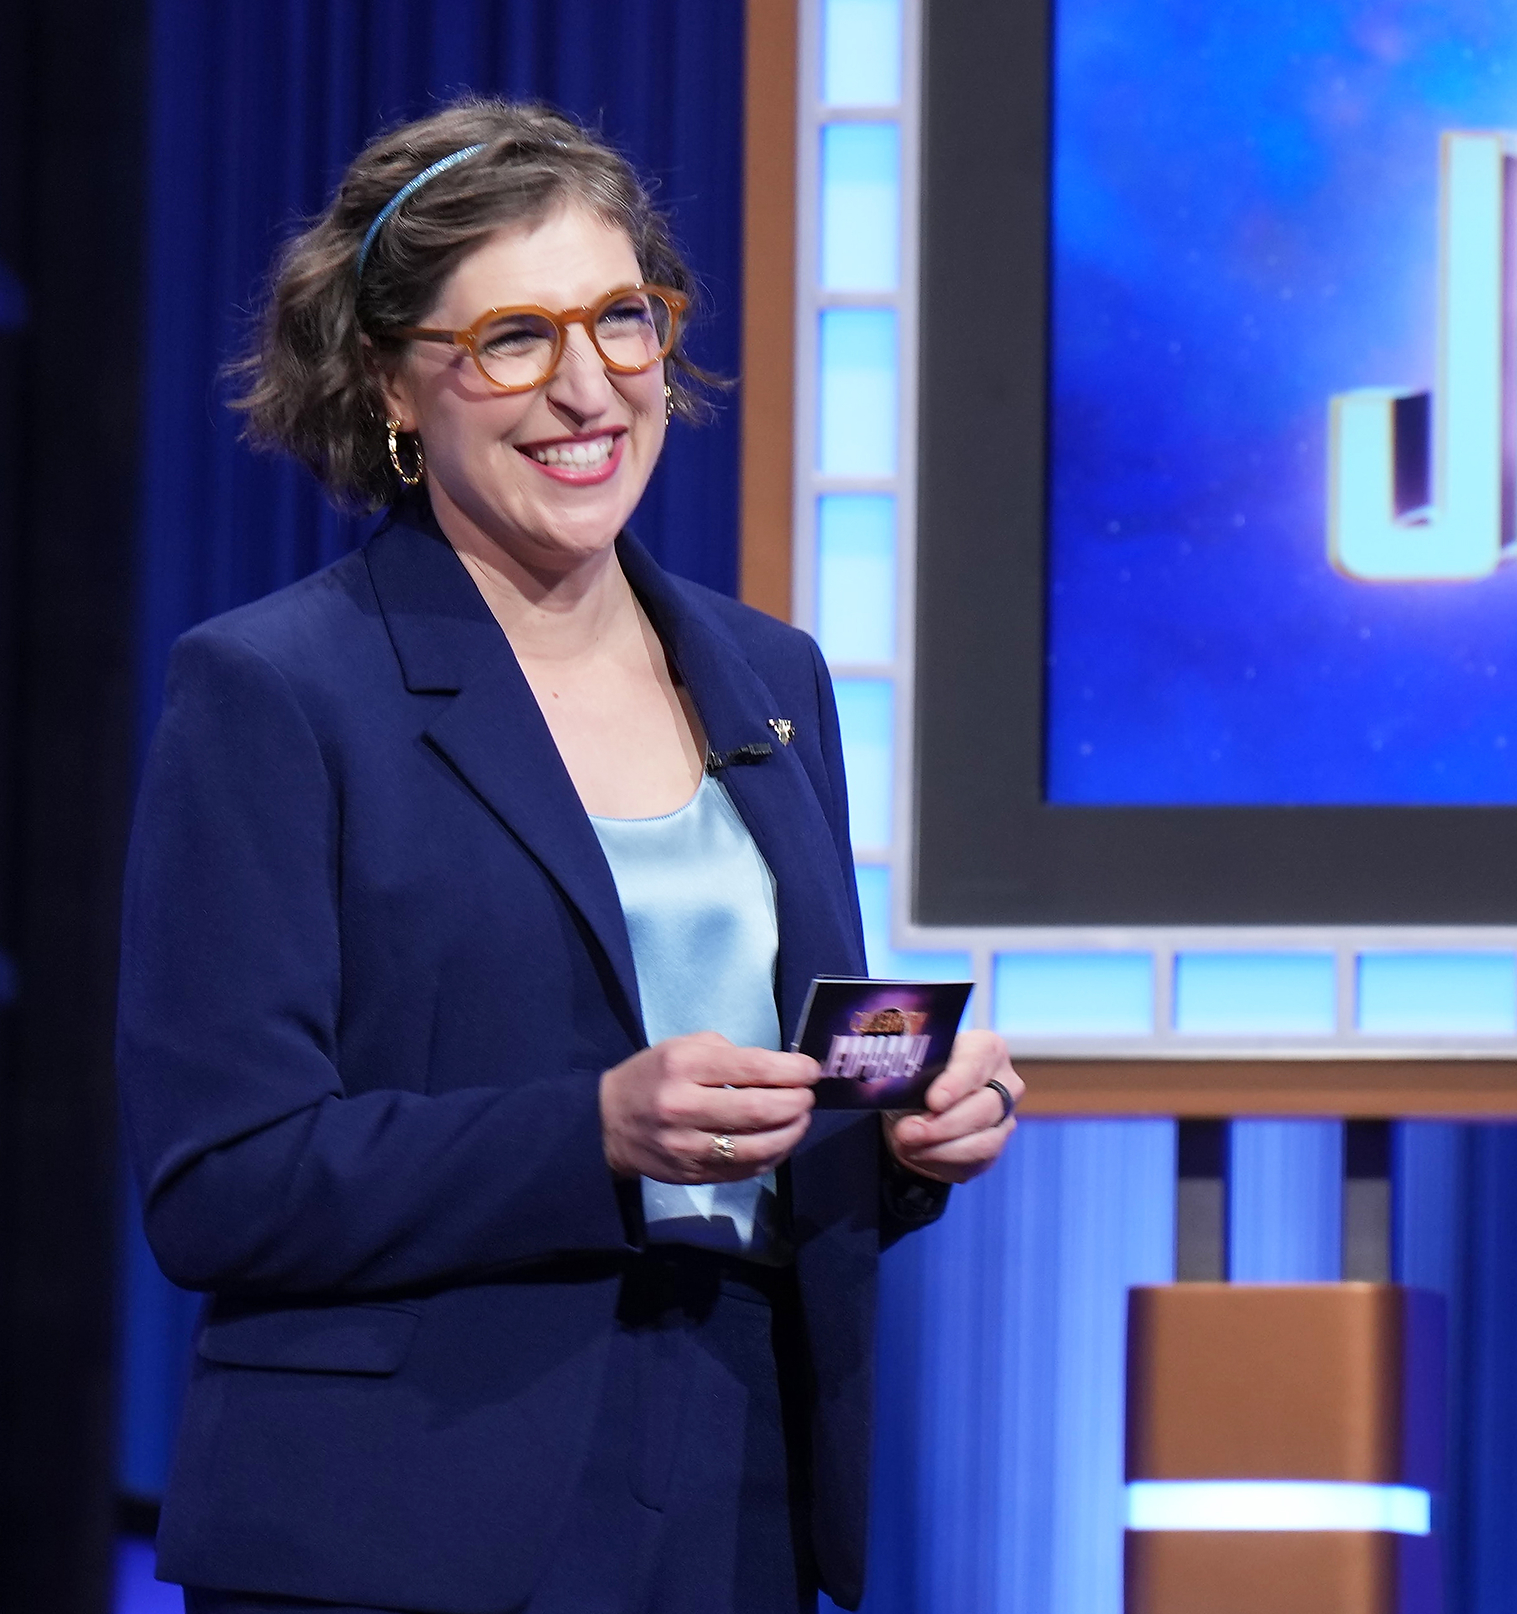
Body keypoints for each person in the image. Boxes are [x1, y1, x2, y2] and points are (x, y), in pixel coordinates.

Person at [117, 99, 1022, 1613]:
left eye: (623, 318)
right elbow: (223, 1180)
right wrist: (590, 1130)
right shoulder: (278, 690)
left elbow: (785, 1104)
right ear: (395, 390)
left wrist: (911, 1134)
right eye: (514, 338)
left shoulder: (770, 675)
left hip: (732, 1488)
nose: (589, 385)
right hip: (399, 1523)